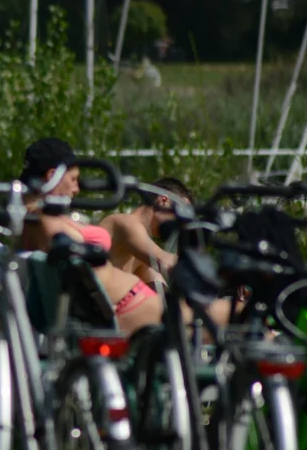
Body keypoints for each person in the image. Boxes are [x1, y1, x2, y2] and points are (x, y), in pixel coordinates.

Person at [18, 138, 234, 338]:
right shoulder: (124, 223)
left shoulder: (38, 219)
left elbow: (159, 280)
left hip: (125, 303)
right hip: (124, 308)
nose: (76, 189)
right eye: (73, 179)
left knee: (226, 314)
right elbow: (166, 262)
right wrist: (225, 278)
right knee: (237, 318)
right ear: (51, 176)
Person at [99, 176, 194, 291]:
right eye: (181, 215)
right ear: (163, 201)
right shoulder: (124, 223)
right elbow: (165, 262)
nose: (181, 225)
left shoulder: (140, 254)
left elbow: (161, 294)